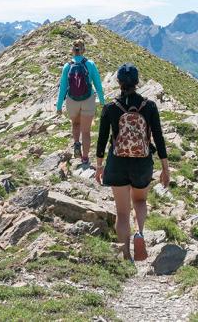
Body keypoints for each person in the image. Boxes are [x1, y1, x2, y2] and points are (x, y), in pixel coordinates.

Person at [96, 63, 170, 262]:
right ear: (137, 82)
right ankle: (139, 232)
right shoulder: (149, 106)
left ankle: (126, 255)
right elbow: (158, 137)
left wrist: (99, 165)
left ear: (118, 82)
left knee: (121, 212)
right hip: (142, 163)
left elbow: (102, 140)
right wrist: (165, 167)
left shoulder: (110, 107)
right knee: (140, 200)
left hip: (117, 163)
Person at [56, 39, 108, 169]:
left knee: (75, 124)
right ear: (83, 50)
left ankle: (76, 143)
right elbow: (97, 84)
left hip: (72, 100)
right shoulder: (90, 64)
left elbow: (63, 87)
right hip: (88, 100)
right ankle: (85, 158)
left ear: (73, 50)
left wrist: (58, 106)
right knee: (86, 131)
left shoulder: (67, 66)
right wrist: (102, 101)